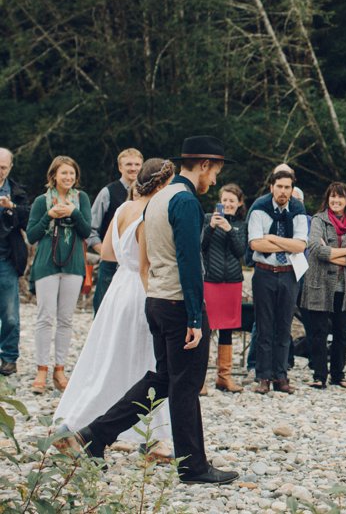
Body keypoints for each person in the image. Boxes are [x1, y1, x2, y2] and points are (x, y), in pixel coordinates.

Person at [65, 136, 238, 485]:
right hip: (178, 303)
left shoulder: (158, 199)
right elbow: (189, 261)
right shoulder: (186, 202)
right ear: (204, 165)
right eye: (215, 172)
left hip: (156, 300)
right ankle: (193, 466)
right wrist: (194, 316)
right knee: (186, 385)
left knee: (163, 379)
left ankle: (95, 434)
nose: (215, 181)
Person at [55, 159, 175, 450]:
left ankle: (82, 422)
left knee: (109, 358)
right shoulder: (148, 214)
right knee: (147, 360)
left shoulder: (122, 209)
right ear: (160, 185)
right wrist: (156, 304)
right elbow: (146, 268)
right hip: (140, 290)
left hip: (118, 288)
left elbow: (108, 252)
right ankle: (150, 435)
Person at [26, 156, 92, 394]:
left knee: (66, 319)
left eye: (72, 174)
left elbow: (86, 230)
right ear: (53, 175)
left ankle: (60, 369)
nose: (68, 178)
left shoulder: (81, 199)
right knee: (45, 317)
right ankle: (41, 369)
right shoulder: (41, 201)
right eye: (64, 173)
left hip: (73, 263)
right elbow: (31, 235)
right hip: (46, 263)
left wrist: (74, 213)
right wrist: (50, 216)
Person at [301, 182, 346, 389]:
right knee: (319, 332)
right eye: (332, 197)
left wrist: (335, 255)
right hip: (319, 284)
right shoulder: (319, 220)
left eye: (340, 197)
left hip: (343, 287)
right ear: (327, 199)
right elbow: (314, 249)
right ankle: (319, 375)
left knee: (340, 332)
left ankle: (338, 374)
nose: (336, 201)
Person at [243, 163, 306, 379]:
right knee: (264, 325)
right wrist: (286, 243)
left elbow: (301, 246)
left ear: (291, 189)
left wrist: (272, 238)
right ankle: (263, 375)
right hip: (265, 272)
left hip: (289, 273)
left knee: (284, 325)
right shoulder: (259, 208)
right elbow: (255, 244)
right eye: (279, 186)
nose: (283, 191)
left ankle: (281, 375)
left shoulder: (297, 208)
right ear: (272, 187)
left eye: (287, 187)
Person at [200, 183, 247, 394]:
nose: (228, 204)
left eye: (232, 201)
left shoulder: (241, 224)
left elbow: (241, 252)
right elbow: (201, 246)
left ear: (239, 204)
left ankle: (224, 377)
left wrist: (230, 231)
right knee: (205, 330)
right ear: (220, 201)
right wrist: (211, 227)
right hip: (211, 280)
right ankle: (199, 380)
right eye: (225, 200)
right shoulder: (207, 218)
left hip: (232, 282)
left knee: (227, 329)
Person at [87, 148, 143, 315]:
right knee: (103, 310)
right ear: (120, 167)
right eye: (128, 164)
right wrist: (106, 251)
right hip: (111, 265)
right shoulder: (107, 192)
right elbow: (91, 229)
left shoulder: (149, 193)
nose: (133, 168)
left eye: (137, 164)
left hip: (137, 266)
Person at [0, 148, 30, 377]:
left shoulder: (18, 191)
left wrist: (12, 209)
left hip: (7, 257)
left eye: (3, 167)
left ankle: (9, 358)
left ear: (10, 167)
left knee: (10, 313)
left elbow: (29, 220)